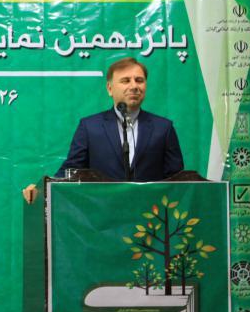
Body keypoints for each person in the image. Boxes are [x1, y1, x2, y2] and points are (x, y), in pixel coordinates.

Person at [23, 57, 183, 203]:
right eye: (126, 80)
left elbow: (178, 180)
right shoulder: (90, 127)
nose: (134, 86)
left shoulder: (163, 128)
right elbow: (71, 170)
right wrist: (41, 190)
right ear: (110, 88)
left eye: (139, 80)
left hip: (150, 216)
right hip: (101, 216)